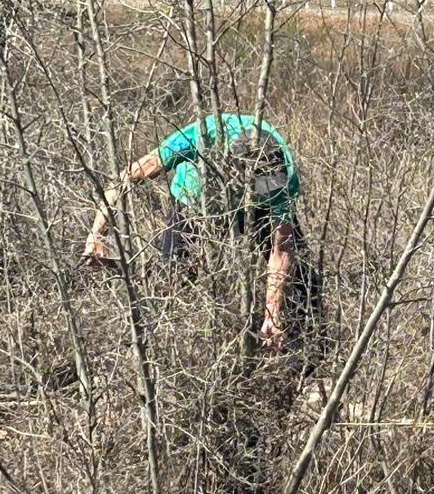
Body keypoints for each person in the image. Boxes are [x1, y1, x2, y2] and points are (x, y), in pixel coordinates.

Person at [80, 112, 319, 353]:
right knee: (170, 280)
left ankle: (308, 364)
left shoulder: (282, 175)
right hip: (195, 200)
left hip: (260, 211)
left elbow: (281, 250)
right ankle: (160, 350)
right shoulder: (198, 137)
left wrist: (272, 312)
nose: (254, 190)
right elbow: (122, 181)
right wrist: (97, 235)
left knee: (302, 281)